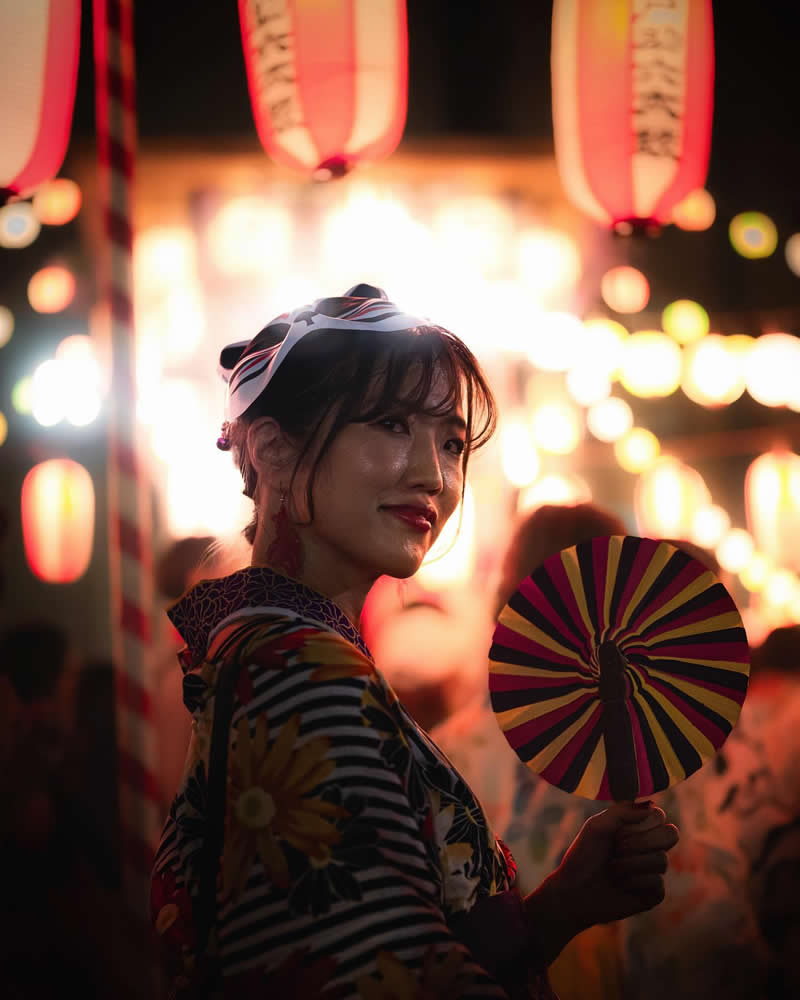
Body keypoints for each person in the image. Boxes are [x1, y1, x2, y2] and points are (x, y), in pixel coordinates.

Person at [150, 285, 679, 999]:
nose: (435, 475)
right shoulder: (304, 674)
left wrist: (564, 905)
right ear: (274, 448)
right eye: (392, 424)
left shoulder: (271, 652)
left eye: (453, 443)